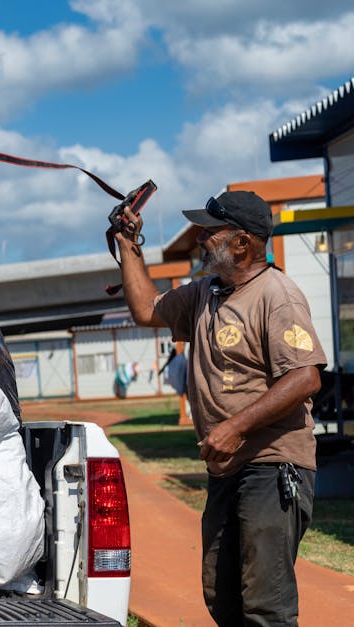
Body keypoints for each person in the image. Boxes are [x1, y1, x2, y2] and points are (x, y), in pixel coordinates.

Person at [112, 191, 323, 625]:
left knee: (265, 604)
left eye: (210, 232)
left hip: (271, 464)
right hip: (226, 468)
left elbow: (305, 377)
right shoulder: (205, 293)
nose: (201, 240)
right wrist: (128, 243)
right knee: (223, 596)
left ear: (242, 243)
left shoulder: (276, 295)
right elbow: (147, 309)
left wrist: (236, 427)